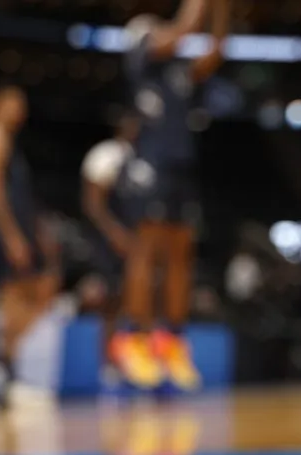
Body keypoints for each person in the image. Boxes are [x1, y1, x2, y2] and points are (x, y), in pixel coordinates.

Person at [110, 0, 229, 391]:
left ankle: (171, 338)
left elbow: (215, 52)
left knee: (181, 253)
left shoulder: (177, 71)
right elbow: (184, 27)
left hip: (180, 165)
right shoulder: (142, 54)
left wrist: (222, 11)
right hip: (151, 162)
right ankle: (133, 337)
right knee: (148, 251)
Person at [0, 84, 56, 409]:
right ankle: (1, 368)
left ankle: (4, 363)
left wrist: (35, 231)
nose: (20, 110)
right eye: (14, 103)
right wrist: (10, 235)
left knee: (38, 290)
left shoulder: (10, 141)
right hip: (3, 228)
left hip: (20, 225)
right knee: (13, 295)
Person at [80, 112, 141, 378]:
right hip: (111, 242)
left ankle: (135, 359)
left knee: (136, 299)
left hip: (139, 241)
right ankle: (109, 364)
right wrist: (115, 233)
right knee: (111, 301)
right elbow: (93, 202)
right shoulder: (107, 154)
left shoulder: (146, 158)